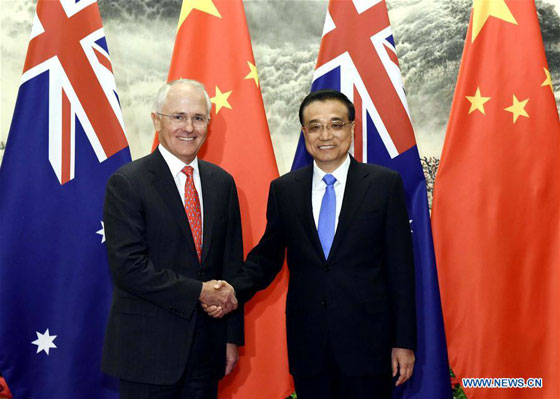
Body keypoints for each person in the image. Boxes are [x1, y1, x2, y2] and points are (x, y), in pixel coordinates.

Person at [207, 89, 416, 398]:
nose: (325, 135)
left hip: (370, 346)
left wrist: (404, 341)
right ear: (304, 132)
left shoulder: (384, 185)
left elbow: (401, 269)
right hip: (309, 348)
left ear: (351, 128)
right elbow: (267, 257)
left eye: (336, 124)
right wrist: (232, 290)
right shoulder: (285, 190)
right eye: (315, 126)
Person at [101, 79, 243, 399]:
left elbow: (230, 264)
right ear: (156, 121)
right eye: (178, 117)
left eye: (198, 118)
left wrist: (230, 337)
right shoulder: (127, 183)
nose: (189, 127)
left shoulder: (222, 183)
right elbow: (129, 267)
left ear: (208, 123)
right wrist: (199, 291)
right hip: (147, 353)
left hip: (207, 353)